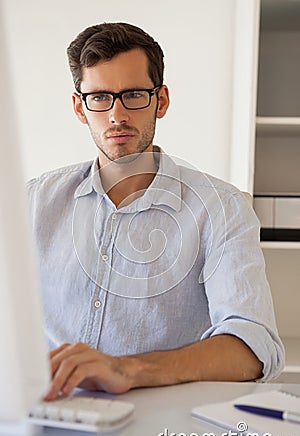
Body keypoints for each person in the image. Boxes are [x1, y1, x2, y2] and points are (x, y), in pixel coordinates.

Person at [27, 22, 284, 401]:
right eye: (99, 97)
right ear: (80, 107)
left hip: (161, 424)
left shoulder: (221, 208)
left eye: (132, 95)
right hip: (46, 415)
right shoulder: (30, 202)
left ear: (160, 100)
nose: (116, 115)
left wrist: (128, 370)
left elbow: (254, 347)